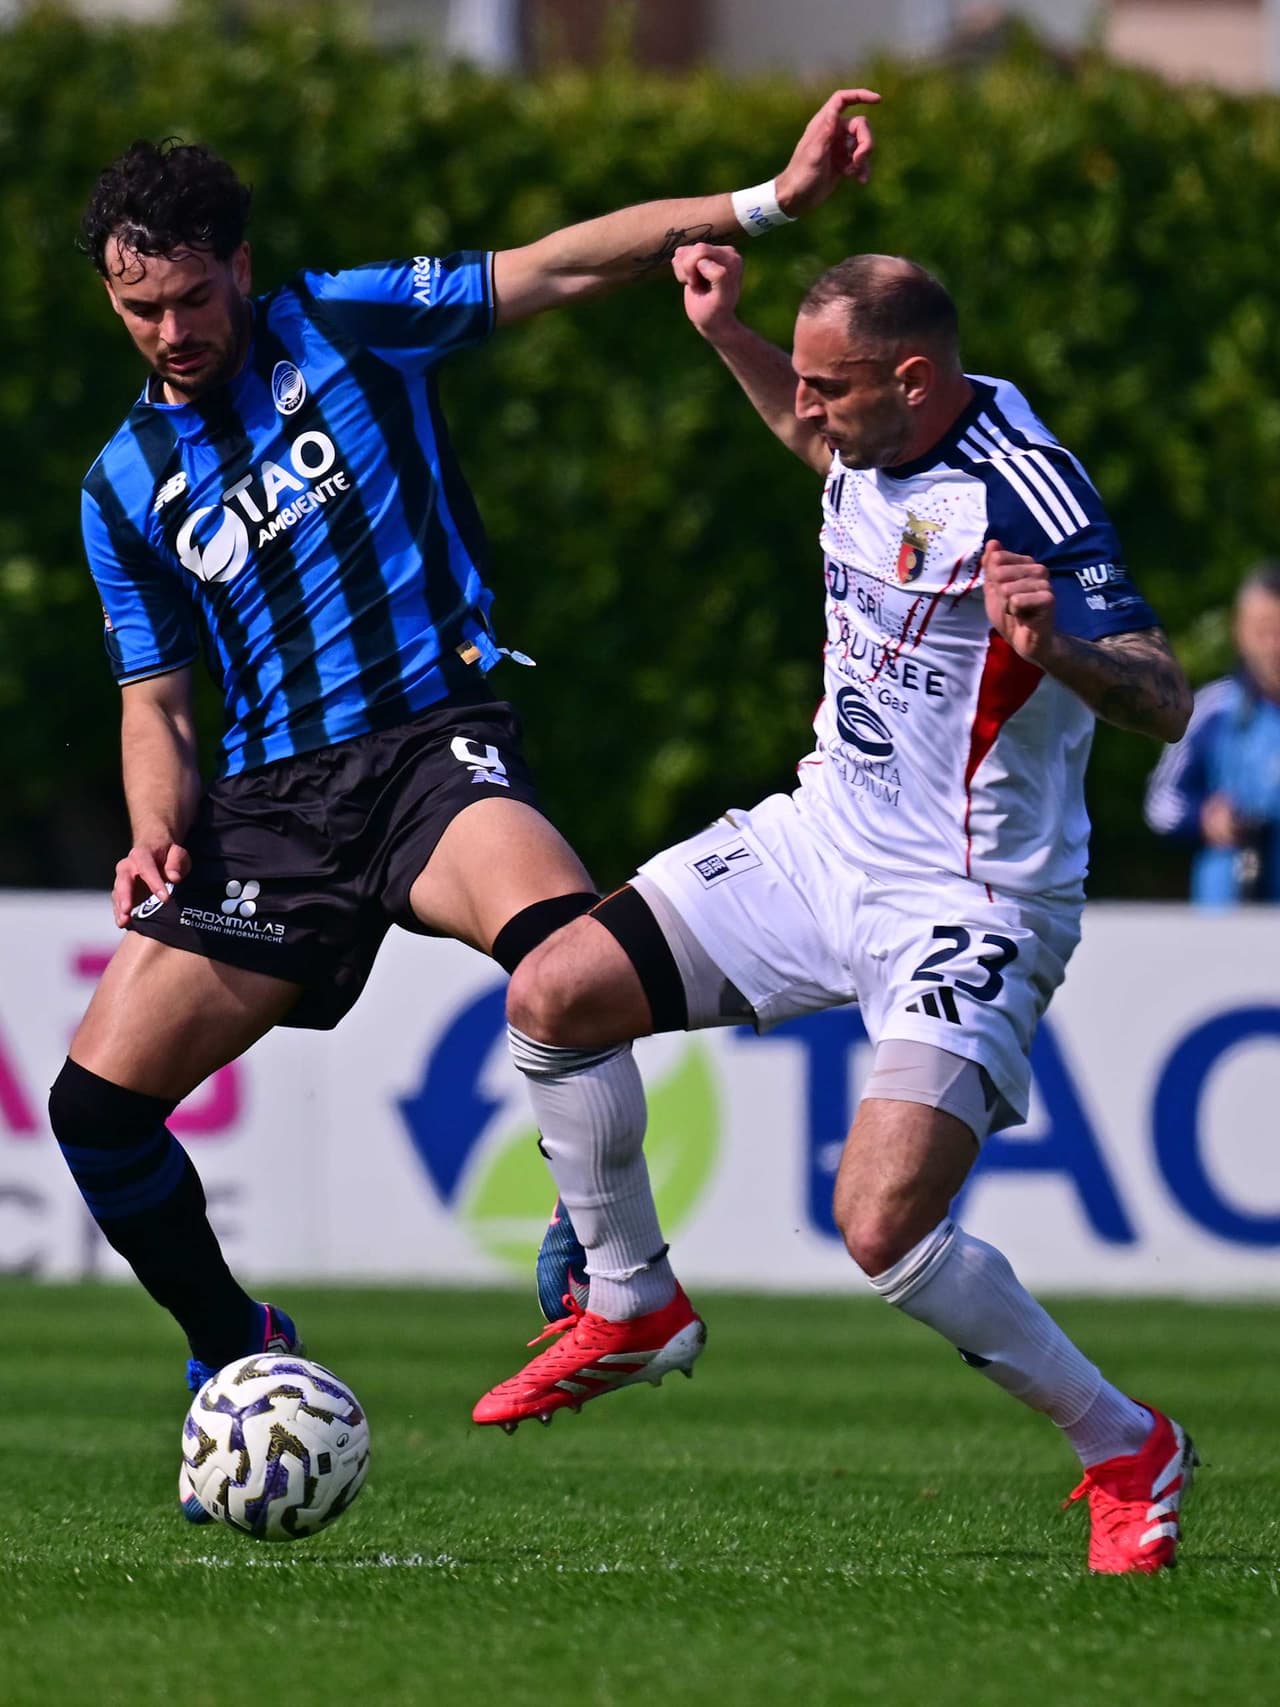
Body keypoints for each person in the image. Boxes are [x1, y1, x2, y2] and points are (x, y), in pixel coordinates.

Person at [50, 94, 879, 1522]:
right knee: (93, 1108)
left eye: (190, 297)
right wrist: (153, 825)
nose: (172, 333)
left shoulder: (349, 325)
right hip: (274, 813)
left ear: (240, 266)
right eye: (139, 310)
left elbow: (559, 261)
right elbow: (156, 697)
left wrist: (767, 205)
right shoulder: (121, 486)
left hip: (432, 746)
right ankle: (232, 1344)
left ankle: (604, 1245)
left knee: (573, 954)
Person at [475, 243, 1199, 1577]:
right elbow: (830, 462)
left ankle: (1125, 1443)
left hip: (968, 897)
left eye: (827, 385)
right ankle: (632, 1298)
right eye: (796, 382)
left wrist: (1058, 654)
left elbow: (1166, 692)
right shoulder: (865, 435)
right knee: (554, 992)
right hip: (822, 840)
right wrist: (730, 337)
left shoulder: (1022, 485)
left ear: (913, 379)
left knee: (880, 1222)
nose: (805, 410)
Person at [1144, 561, 1280, 901]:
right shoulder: (1215, 708)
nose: (1275, 646)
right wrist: (1207, 818)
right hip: (1226, 914)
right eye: (1264, 630)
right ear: (1240, 631)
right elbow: (1160, 802)